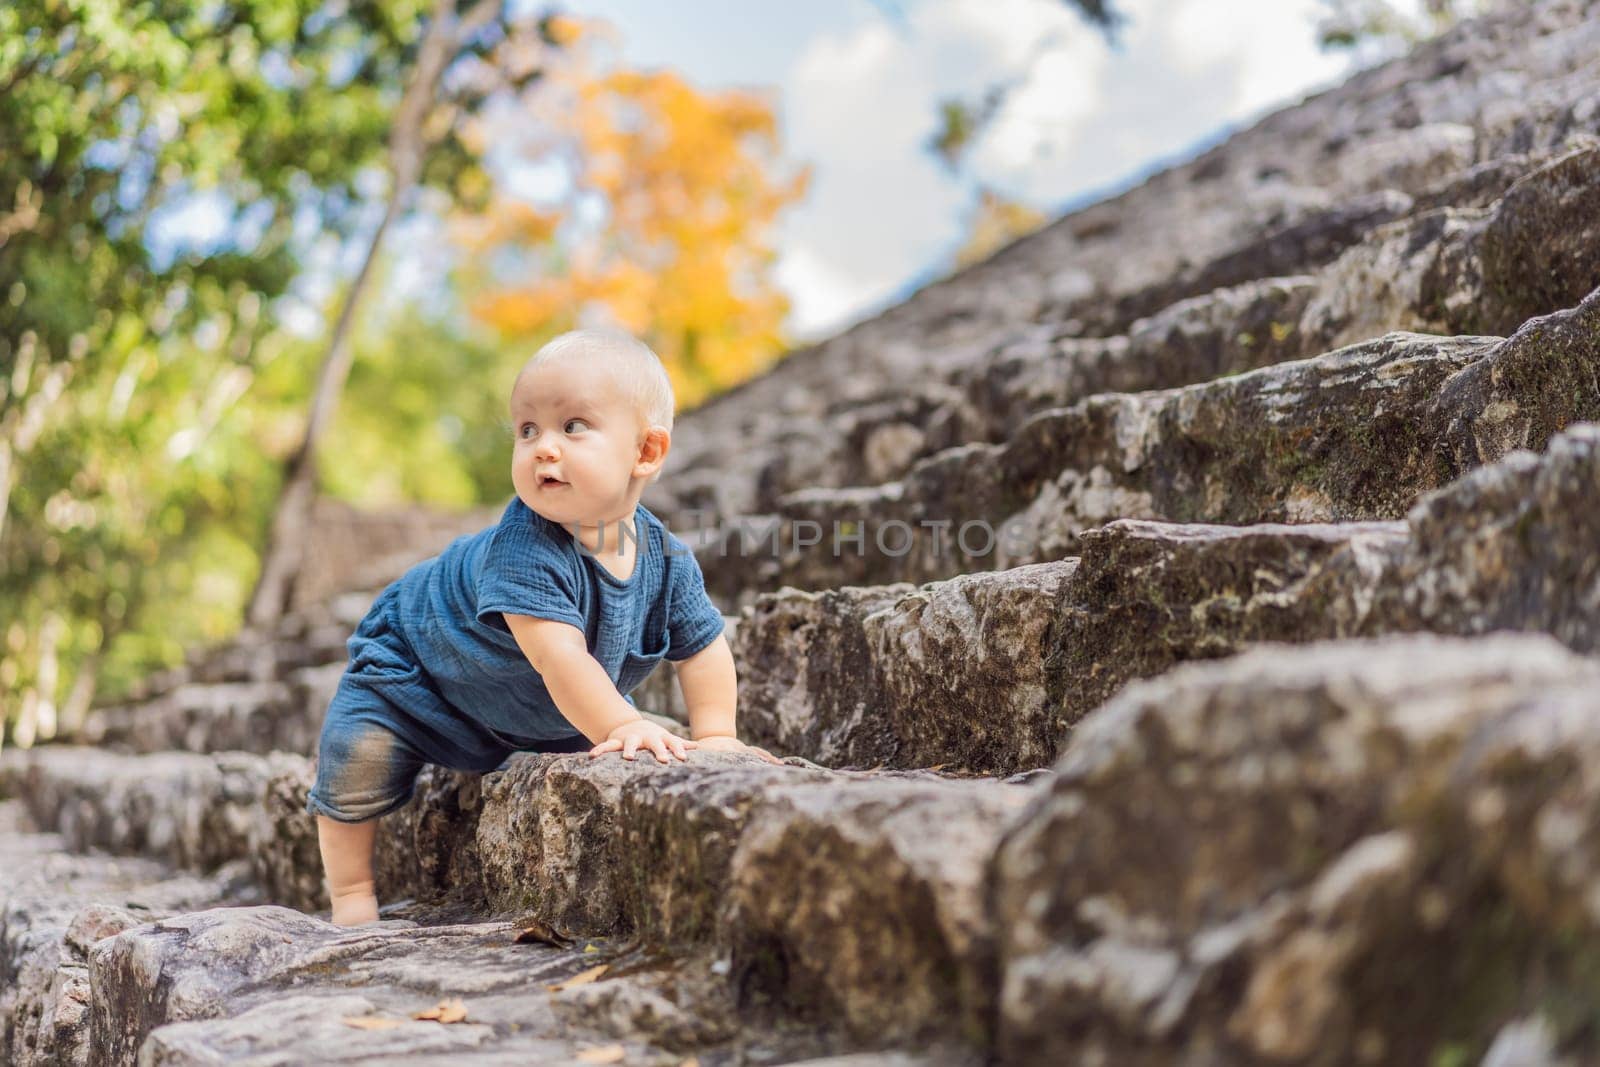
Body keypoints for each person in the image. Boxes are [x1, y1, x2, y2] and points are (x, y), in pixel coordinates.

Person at [305, 328, 780, 926]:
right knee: (356, 757)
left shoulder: (666, 558)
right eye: (526, 430)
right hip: (416, 667)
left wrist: (717, 736)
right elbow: (561, 659)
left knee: (635, 735)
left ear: (646, 453)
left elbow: (703, 648)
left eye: (572, 426)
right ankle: (350, 897)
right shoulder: (524, 547)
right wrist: (622, 720)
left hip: (524, 700)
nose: (542, 448)